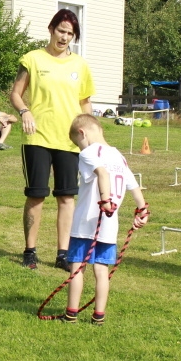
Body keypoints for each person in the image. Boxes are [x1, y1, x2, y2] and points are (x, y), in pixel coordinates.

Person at [9, 9, 94, 271]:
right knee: (36, 196)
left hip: (69, 141)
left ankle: (63, 255)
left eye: (70, 34)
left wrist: (90, 135)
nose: (65, 37)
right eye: (61, 31)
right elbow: (15, 94)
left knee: (67, 197)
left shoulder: (79, 65)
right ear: (51, 29)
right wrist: (25, 111)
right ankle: (30, 251)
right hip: (38, 137)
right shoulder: (33, 59)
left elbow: (85, 103)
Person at [59, 114, 150, 325]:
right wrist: (143, 209)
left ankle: (71, 314)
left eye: (78, 143)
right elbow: (133, 185)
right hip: (109, 227)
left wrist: (105, 201)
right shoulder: (118, 155)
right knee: (101, 270)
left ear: (83, 133)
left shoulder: (89, 152)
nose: (79, 148)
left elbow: (102, 174)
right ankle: (98, 316)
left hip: (86, 223)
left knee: (77, 267)